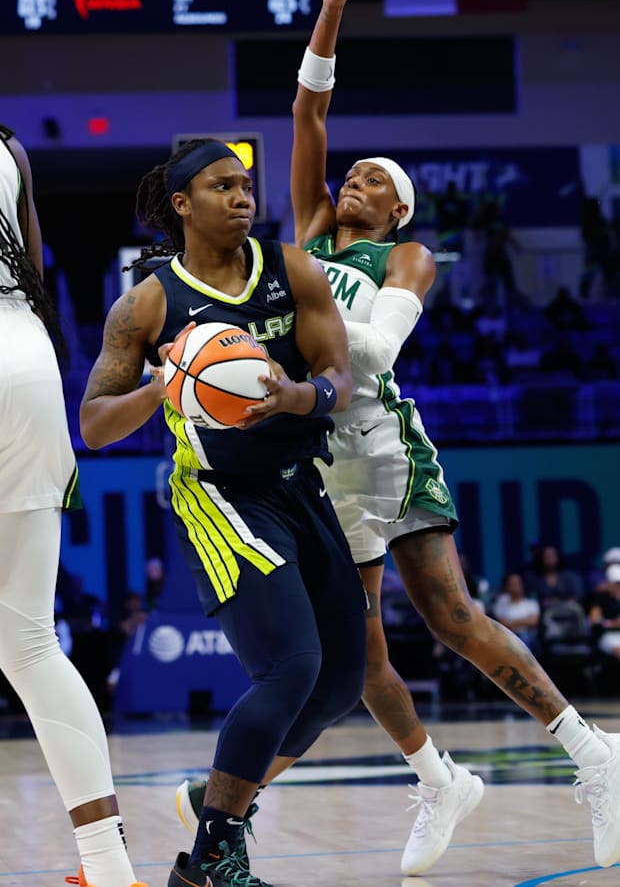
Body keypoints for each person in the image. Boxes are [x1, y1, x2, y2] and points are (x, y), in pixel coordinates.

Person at [177, 0, 620, 877]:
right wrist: (327, 17)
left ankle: (592, 754)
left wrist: (274, 346)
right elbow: (309, 114)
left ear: (399, 208)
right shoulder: (306, 237)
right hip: (317, 458)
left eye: (376, 179)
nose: (357, 180)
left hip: (381, 446)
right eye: (355, 174)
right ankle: (437, 780)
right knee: (361, 655)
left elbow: (376, 353)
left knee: (452, 617)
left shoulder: (406, 257)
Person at [79, 136, 368, 887]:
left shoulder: (290, 269)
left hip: (299, 482)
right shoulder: (147, 302)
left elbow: (338, 377)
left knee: (342, 681)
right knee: (291, 667)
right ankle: (212, 856)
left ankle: (218, 808)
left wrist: (299, 396)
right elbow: (95, 424)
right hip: (218, 494)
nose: (243, 197)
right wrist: (164, 384)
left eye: (245, 185)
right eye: (222, 186)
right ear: (183, 204)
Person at [0, 123, 145, 887]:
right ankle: (108, 864)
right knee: (28, 645)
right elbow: (32, 262)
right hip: (25, 360)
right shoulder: (10, 146)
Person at [492, 572, 541, 654]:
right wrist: (524, 621)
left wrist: (512, 622)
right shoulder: (501, 601)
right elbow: (501, 623)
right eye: (512, 584)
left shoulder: (531, 602)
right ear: (506, 586)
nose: (515, 586)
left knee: (525, 639)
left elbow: (533, 621)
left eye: (518, 583)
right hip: (507, 636)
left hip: (527, 636)